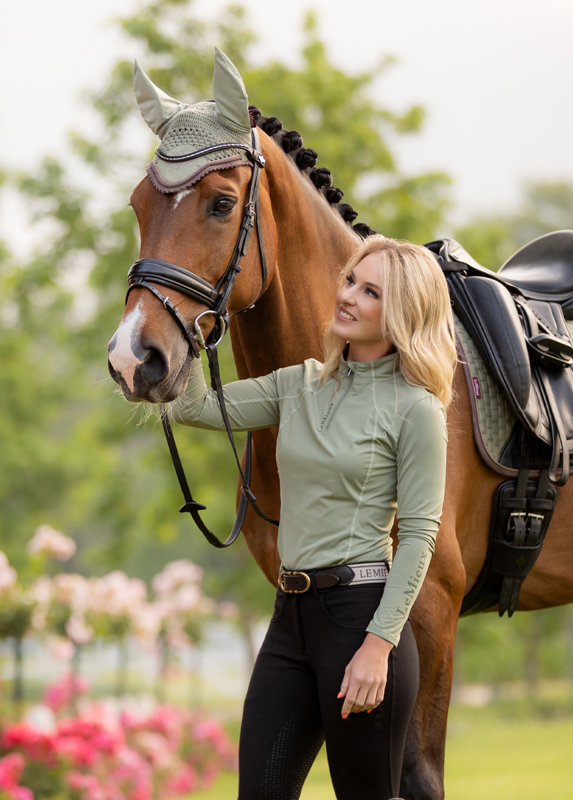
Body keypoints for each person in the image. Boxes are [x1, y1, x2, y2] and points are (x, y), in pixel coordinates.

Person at [171, 235, 458, 800]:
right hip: (290, 618)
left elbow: (420, 534)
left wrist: (378, 646)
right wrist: (189, 323)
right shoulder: (299, 383)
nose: (347, 295)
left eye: (371, 292)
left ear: (402, 313)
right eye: (350, 280)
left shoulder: (417, 408)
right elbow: (193, 407)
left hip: (360, 621)